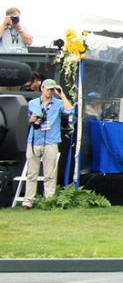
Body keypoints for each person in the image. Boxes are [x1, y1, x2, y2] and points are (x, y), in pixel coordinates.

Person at [18, 79, 74, 208]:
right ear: (42, 88)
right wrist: (31, 119)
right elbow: (24, 121)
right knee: (31, 174)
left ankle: (48, 201)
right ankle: (28, 202)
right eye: (48, 88)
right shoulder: (32, 103)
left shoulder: (59, 103)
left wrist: (62, 95)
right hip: (34, 140)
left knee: (49, 174)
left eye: (51, 89)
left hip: (51, 141)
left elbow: (70, 111)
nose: (49, 91)